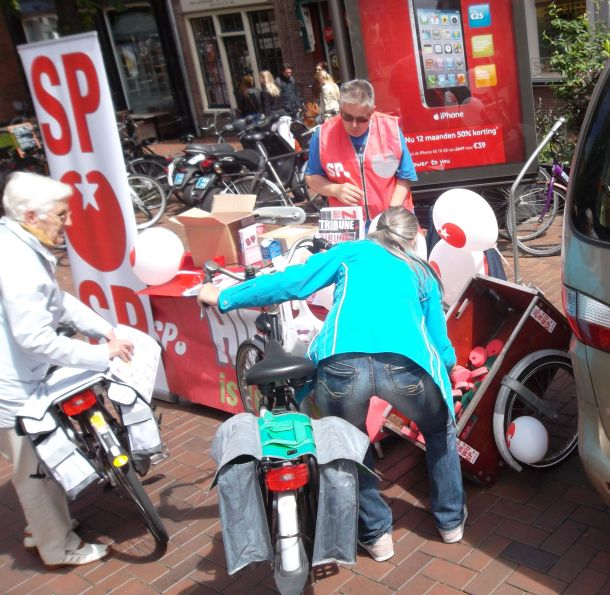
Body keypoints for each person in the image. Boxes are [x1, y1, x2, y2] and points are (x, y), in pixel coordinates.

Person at [197, 206, 466, 562]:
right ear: (414, 238)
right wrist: (449, 367)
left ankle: (376, 534)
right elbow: (439, 340)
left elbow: (292, 282)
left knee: (351, 445)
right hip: (406, 366)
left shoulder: (351, 253)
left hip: (342, 365)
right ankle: (450, 523)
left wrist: (225, 296)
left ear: (374, 232)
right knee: (439, 429)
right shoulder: (422, 273)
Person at [0, 171, 134, 568]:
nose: (68, 223)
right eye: (61, 215)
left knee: (36, 467)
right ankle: (58, 548)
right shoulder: (17, 262)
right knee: (34, 473)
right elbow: (35, 338)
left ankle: (41, 528)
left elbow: (56, 301)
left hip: (20, 375)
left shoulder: (18, 244)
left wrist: (103, 328)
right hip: (12, 385)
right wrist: (99, 353)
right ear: (31, 217)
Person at [305, 79, 417, 222]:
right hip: (349, 222)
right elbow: (311, 177)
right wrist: (334, 189)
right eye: (347, 117)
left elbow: (406, 175)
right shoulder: (323, 135)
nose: (354, 124)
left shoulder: (390, 129)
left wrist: (393, 210)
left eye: (362, 119)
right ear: (340, 108)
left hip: (389, 216)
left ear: (372, 111)